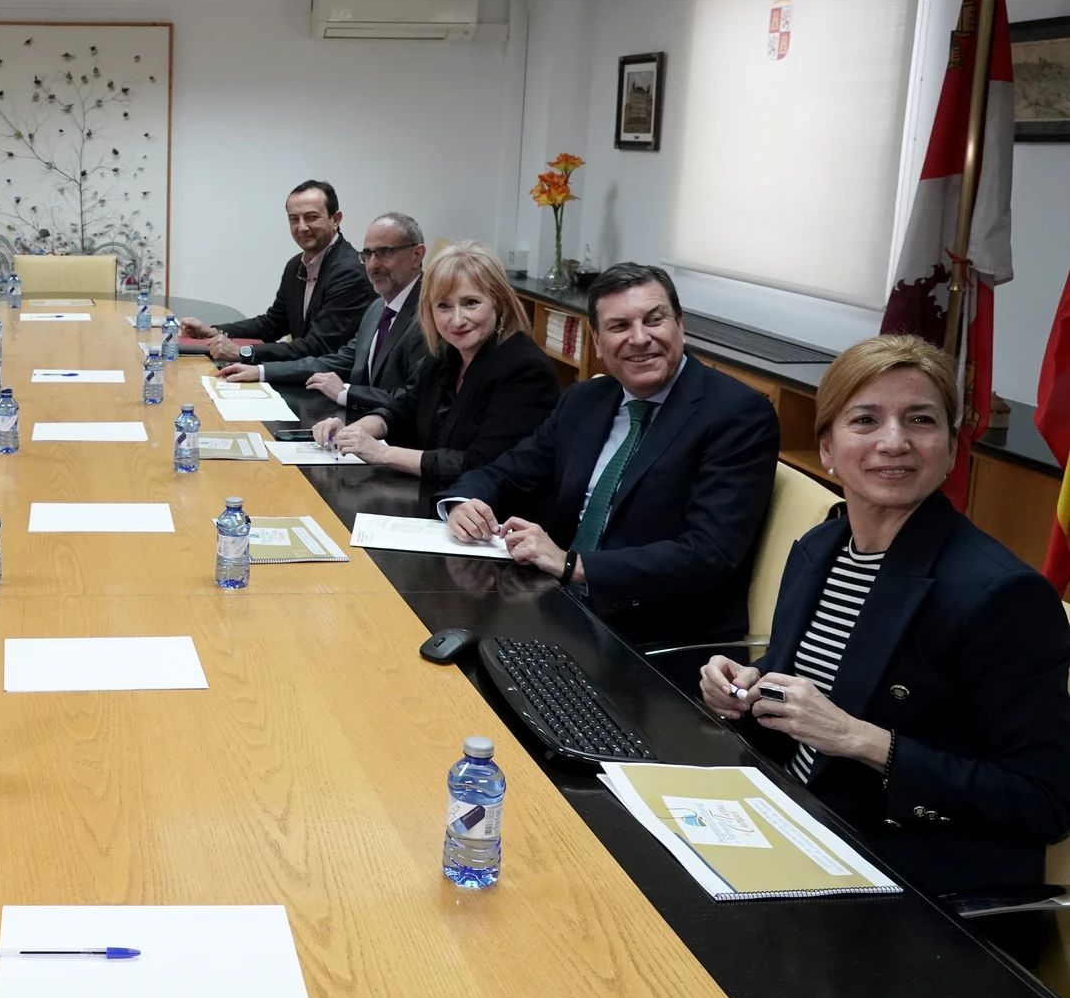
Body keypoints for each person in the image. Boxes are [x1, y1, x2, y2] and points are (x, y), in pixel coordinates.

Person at [700, 336, 1070, 947]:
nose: (893, 441)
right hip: (790, 827)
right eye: (865, 419)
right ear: (827, 447)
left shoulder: (1000, 595)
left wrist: (861, 740)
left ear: (951, 449)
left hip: (909, 888)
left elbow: (1045, 801)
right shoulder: (820, 550)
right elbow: (821, 676)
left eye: (920, 420)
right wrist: (743, 685)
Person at [438, 262, 779, 647]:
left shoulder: (737, 414)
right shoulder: (587, 399)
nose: (640, 338)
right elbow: (510, 469)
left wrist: (575, 565)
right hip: (560, 607)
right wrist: (463, 503)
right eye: (619, 327)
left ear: (680, 324)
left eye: (654, 320)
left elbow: (708, 553)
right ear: (596, 342)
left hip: (653, 635)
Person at [312, 240, 558, 485]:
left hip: (494, 514)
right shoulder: (446, 352)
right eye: (444, 306)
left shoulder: (525, 369)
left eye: (471, 302)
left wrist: (382, 453)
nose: (457, 320)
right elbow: (403, 408)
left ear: (499, 303)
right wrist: (354, 431)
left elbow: (481, 464)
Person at [218, 212, 430, 411]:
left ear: (416, 255)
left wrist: (347, 393)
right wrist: (262, 371)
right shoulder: (377, 308)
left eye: (385, 253)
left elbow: (414, 399)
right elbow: (341, 360)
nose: (372, 265)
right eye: (367, 254)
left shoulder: (431, 315)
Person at [177, 179, 373, 364]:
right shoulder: (296, 265)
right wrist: (214, 331)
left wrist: (243, 352)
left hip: (331, 385)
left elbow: (318, 347)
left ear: (335, 219)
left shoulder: (350, 272)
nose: (302, 227)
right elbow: (272, 324)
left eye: (311, 217)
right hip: (303, 372)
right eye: (294, 219)